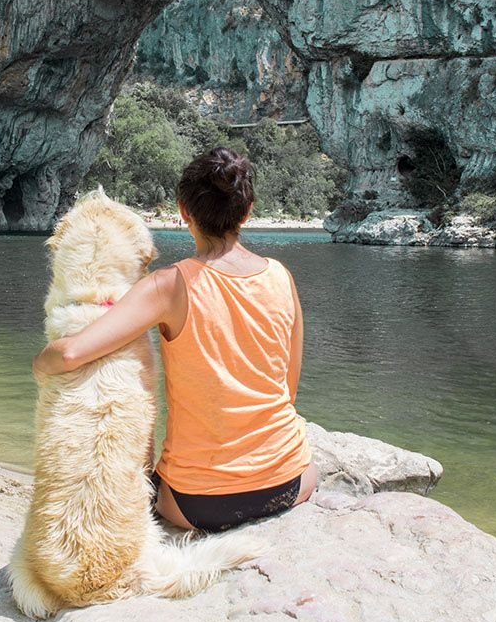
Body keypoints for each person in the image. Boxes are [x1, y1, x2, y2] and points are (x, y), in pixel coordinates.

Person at [32, 147, 317, 532]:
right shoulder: (281, 276)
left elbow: (70, 355)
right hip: (291, 481)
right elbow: (289, 390)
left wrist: (39, 365)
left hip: (199, 504)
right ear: (248, 211)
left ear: (183, 211)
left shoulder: (169, 286)